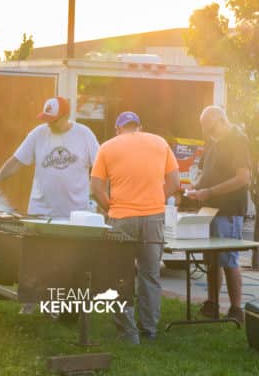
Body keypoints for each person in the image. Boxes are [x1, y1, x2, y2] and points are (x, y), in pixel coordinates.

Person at [90, 111, 180, 344]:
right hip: (153, 218)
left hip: (122, 218)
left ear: (118, 129)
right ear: (139, 127)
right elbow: (175, 182)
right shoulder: (159, 143)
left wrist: (111, 208)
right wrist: (156, 201)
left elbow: (96, 187)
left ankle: (128, 333)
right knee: (150, 274)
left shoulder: (108, 147)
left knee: (120, 274)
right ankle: (149, 330)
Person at [0, 96, 99, 219]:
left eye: (53, 120)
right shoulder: (38, 134)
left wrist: (99, 194)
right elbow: (16, 161)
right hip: (41, 212)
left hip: (76, 214)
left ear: (66, 116)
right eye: (46, 119)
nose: (49, 124)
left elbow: (100, 166)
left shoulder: (84, 134)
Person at [185, 106, 250, 322]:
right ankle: (212, 303)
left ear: (222, 120)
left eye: (210, 127)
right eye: (204, 127)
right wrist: (196, 188)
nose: (207, 131)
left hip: (229, 209)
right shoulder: (213, 142)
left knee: (228, 258)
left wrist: (210, 191)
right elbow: (205, 172)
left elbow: (243, 178)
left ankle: (236, 309)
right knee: (211, 259)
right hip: (210, 208)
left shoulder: (238, 140)